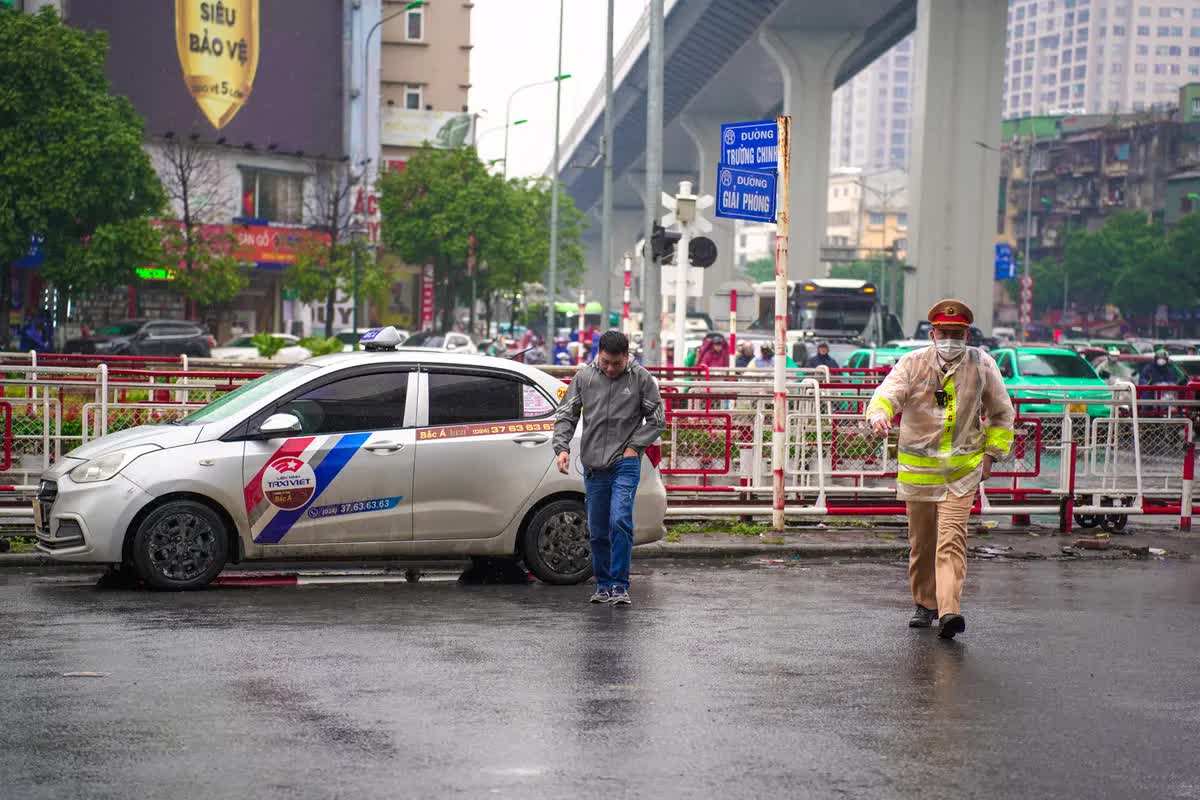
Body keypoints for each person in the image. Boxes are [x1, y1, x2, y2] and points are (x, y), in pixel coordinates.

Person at [865, 299, 1015, 640]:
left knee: (951, 542)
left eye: (958, 334)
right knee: (923, 543)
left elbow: (1002, 413)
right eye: (945, 333)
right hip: (919, 475)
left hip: (962, 473)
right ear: (933, 334)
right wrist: (879, 415)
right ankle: (924, 603)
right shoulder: (913, 363)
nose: (951, 340)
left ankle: (949, 612)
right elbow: (887, 394)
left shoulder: (981, 365)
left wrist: (991, 454)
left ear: (967, 335)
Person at [553, 330, 665, 606]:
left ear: (627, 356)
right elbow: (566, 414)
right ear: (598, 355)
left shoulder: (641, 379)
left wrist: (634, 447)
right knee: (598, 528)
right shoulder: (584, 377)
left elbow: (657, 419)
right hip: (593, 464)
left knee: (620, 520)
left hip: (625, 463)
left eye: (616, 363)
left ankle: (620, 584)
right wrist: (562, 448)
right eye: (605, 362)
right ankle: (602, 585)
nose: (611, 369)